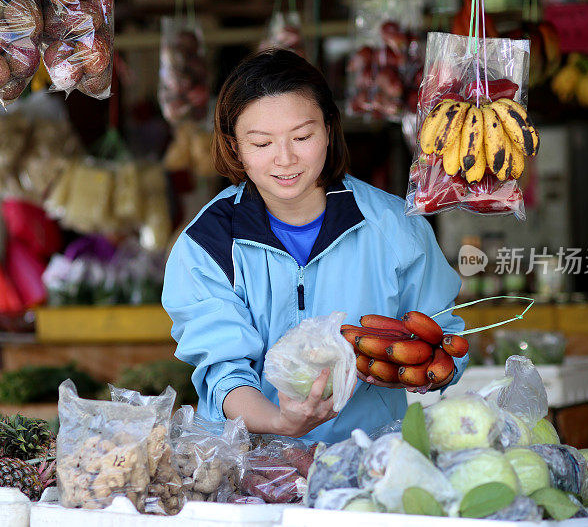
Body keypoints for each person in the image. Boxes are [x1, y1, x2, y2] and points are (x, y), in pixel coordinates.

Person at [162, 49, 467, 444]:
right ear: (235, 147)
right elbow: (223, 372)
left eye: (302, 137)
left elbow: (446, 340)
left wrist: (415, 372)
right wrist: (279, 421)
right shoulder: (207, 245)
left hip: (367, 466)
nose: (285, 159)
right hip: (247, 471)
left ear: (328, 130)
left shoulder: (395, 228)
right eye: (261, 144)